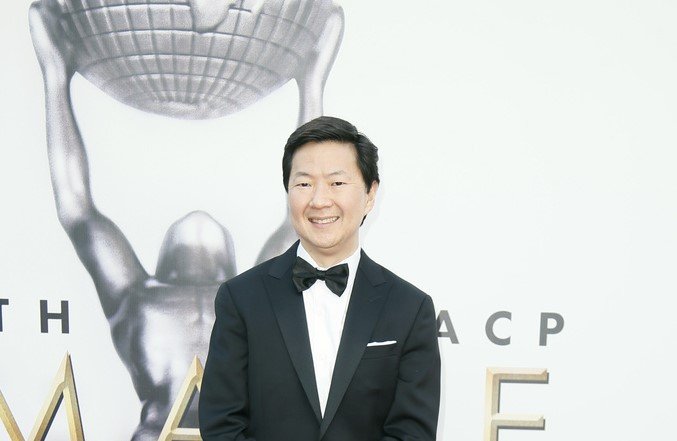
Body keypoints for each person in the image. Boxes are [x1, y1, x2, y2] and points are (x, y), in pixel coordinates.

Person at [199, 116, 441, 440]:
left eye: (336, 183)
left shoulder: (409, 308)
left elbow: (412, 433)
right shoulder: (241, 299)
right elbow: (222, 426)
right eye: (304, 184)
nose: (319, 200)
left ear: (370, 194)